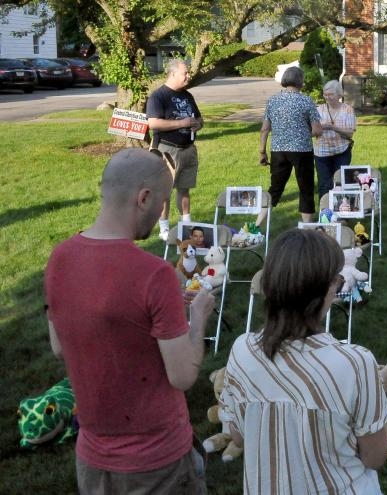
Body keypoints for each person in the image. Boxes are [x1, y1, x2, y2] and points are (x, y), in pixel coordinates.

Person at [45, 148, 215, 493]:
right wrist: (197, 319)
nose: (161, 212)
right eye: (163, 202)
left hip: (92, 460)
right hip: (156, 463)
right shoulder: (155, 274)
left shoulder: (58, 259)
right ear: (144, 198)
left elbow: (59, 347)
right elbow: (182, 376)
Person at [219, 229, 387, 494]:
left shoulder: (241, 351)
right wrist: (376, 391)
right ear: (327, 288)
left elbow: (239, 435)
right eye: (336, 280)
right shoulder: (356, 363)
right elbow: (375, 456)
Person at [147, 59, 203, 242]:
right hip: (167, 149)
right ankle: (164, 229)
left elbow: (200, 119)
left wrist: (197, 125)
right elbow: (153, 123)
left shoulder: (188, 95)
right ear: (172, 74)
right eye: (185, 73)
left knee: (184, 189)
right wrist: (182, 123)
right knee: (164, 191)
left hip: (188, 149)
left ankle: (186, 225)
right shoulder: (159, 96)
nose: (188, 76)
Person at [260, 66, 323, 224]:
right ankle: (307, 227)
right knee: (306, 188)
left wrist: (262, 151)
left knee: (275, 188)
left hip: (278, 150)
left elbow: (265, 129)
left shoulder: (272, 101)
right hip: (302, 150)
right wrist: (304, 132)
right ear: (301, 82)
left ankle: (257, 224)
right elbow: (317, 130)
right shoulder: (306, 101)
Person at [314, 80, 357, 203]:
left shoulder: (348, 110)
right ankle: (325, 214)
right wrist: (319, 128)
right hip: (321, 153)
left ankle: (341, 212)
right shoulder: (318, 110)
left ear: (339, 95)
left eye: (330, 94)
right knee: (324, 184)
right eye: (325, 94)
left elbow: (349, 133)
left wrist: (333, 127)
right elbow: (311, 133)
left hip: (342, 151)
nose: (327, 97)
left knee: (340, 182)